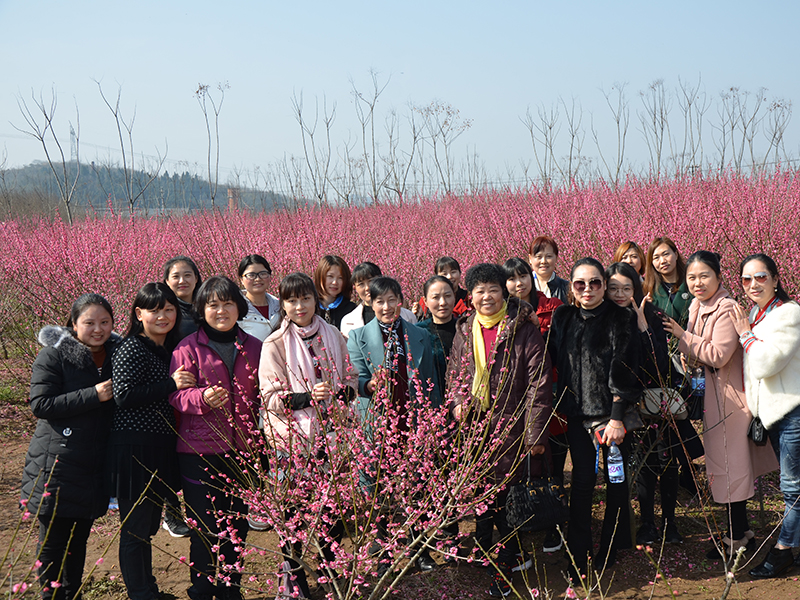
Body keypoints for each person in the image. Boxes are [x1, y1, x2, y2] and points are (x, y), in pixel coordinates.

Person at [663, 251, 778, 560]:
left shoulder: (725, 309)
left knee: (732, 468)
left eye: (704, 276)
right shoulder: (698, 307)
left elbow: (718, 355)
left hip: (731, 402)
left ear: (718, 277)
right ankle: (737, 532)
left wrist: (682, 335)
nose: (697, 283)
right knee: (724, 467)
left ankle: (738, 537)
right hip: (715, 398)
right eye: (691, 277)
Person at [448, 263, 552, 597]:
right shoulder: (466, 329)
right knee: (485, 500)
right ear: (470, 296)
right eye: (479, 291)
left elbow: (540, 382)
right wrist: (457, 402)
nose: (486, 296)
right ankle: (493, 556)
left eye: (493, 289)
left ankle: (504, 572)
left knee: (509, 501)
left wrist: (535, 434)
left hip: (513, 429)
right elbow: (456, 374)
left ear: (504, 291)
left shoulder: (522, 329)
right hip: (476, 430)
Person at [259, 272, 358, 596]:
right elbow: (270, 398)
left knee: (331, 512)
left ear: (315, 299)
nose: (299, 306)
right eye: (291, 300)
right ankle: (293, 580)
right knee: (293, 515)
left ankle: (330, 572)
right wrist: (306, 398)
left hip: (331, 437)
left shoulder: (332, 334)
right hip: (292, 441)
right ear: (283, 304)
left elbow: (352, 378)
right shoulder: (274, 344)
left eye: (305, 298)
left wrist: (341, 394)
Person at [21, 294, 120, 600]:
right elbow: (41, 403)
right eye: (89, 322)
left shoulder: (117, 355)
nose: (98, 329)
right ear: (74, 324)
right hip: (57, 464)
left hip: (93, 464)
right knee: (52, 543)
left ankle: (71, 593)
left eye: (105, 322)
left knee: (79, 541)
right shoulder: (54, 356)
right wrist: (93, 394)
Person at [169, 276, 262, 600]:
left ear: (239, 307)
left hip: (242, 449)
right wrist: (202, 398)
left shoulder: (255, 346)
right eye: (212, 305)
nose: (220, 311)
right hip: (199, 451)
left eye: (227, 303)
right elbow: (175, 398)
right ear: (201, 309)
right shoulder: (187, 348)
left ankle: (230, 587)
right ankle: (202, 588)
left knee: (237, 523)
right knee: (205, 525)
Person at [549, 258, 641, 577]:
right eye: (579, 284)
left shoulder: (621, 318)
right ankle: (579, 552)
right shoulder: (564, 317)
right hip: (576, 415)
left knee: (616, 482)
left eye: (595, 283)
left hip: (611, 418)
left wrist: (616, 417)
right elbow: (550, 357)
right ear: (571, 287)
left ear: (604, 284)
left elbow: (623, 369)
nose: (587, 289)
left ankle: (610, 547)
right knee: (583, 483)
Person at [347, 277, 440, 573]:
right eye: (379, 301)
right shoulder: (358, 336)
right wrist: (370, 384)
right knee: (377, 489)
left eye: (391, 300)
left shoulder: (418, 334)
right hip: (377, 422)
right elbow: (354, 380)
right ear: (369, 303)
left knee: (417, 486)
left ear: (401, 300)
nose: (386, 307)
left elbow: (430, 382)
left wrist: (433, 421)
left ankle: (419, 547)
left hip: (413, 421)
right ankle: (383, 548)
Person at [110, 283, 196, 600]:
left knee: (146, 527)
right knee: (135, 528)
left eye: (169, 309)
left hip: (157, 448)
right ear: (139, 314)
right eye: (155, 309)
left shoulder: (165, 349)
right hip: (134, 449)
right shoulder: (132, 347)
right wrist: (170, 383)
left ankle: (148, 588)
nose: (163, 315)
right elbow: (125, 395)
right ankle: (141, 593)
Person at [731, 254, 800, 577]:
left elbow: (765, 363)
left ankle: (783, 550)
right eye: (746, 280)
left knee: (792, 487)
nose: (753, 285)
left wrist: (745, 335)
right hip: (772, 415)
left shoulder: (789, 313)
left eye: (760, 277)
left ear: (775, 278)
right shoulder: (757, 314)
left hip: (791, 412)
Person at [605, 262, 683, 545]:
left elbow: (660, 363)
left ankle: (670, 523)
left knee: (666, 461)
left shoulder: (651, 314)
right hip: (625, 404)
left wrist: (641, 324)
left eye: (626, 288)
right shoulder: (605, 317)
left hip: (655, 400)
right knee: (643, 464)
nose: (620, 293)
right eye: (613, 288)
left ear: (637, 288)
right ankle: (647, 522)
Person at [503, 256, 565, 553]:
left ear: (531, 277)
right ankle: (524, 524)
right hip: (520, 402)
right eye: (512, 279)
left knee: (554, 463)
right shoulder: (503, 315)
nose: (518, 283)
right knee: (523, 469)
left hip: (551, 391)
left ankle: (554, 523)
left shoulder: (552, 307)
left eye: (523, 276)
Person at [340, 261, 416, 339]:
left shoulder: (408, 317)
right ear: (355, 288)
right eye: (361, 284)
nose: (367, 288)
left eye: (371, 281)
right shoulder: (348, 321)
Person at [415, 275, 457, 397]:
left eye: (447, 296)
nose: (443, 302)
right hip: (428, 401)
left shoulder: (465, 328)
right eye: (436, 297)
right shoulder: (418, 332)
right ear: (425, 301)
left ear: (454, 297)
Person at [643, 237, 692, 326]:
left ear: (676, 255)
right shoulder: (649, 290)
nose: (662, 261)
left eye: (666, 254)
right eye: (656, 258)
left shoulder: (692, 283)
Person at [236, 254, 281, 341]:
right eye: (251, 275)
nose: (257, 279)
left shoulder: (279, 306)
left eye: (263, 274)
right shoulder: (237, 310)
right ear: (241, 280)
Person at [163, 256, 202, 342]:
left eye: (187, 275)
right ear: (167, 281)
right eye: (176, 276)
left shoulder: (207, 309)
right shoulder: (164, 313)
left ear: (196, 278)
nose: (182, 281)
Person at [314, 255, 357, 330]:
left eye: (340, 278)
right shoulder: (311, 308)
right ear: (320, 276)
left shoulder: (351, 310)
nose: (335, 282)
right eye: (330, 276)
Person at [528, 235, 569, 302]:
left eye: (549, 256)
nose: (543, 261)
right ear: (530, 259)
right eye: (539, 256)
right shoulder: (524, 287)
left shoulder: (567, 288)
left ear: (556, 258)